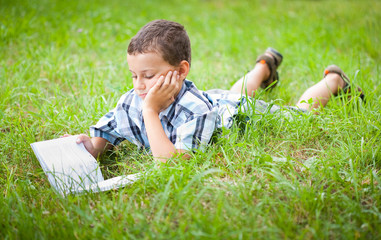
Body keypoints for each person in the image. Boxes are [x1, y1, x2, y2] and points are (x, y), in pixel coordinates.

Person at [69, 19, 364, 162]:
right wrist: (92, 148)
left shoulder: (196, 110)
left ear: (181, 71)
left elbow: (171, 164)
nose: (139, 86)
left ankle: (333, 80)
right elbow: (109, 131)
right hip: (219, 100)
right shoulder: (133, 100)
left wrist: (150, 111)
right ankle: (264, 66)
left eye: (148, 75)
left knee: (297, 114)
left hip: (234, 117)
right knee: (237, 93)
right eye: (134, 75)